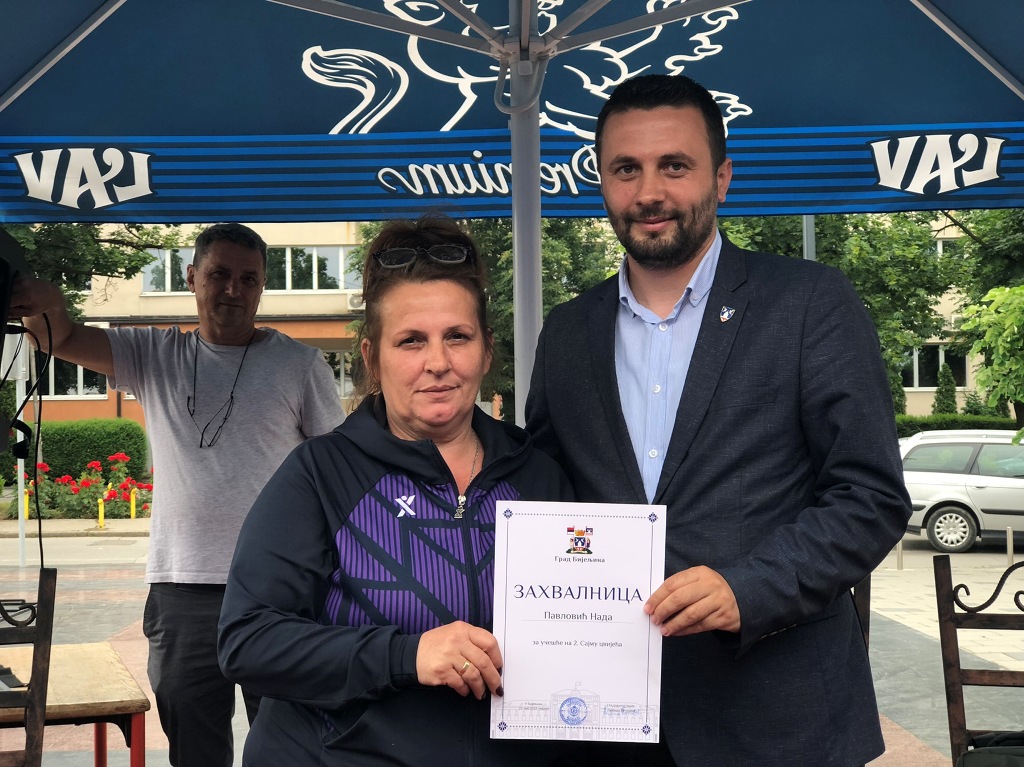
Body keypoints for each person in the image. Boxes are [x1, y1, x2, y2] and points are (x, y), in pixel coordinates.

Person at [525, 74, 912, 766]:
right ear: (602, 181)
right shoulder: (566, 332)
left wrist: (748, 588)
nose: (649, 192)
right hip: (605, 719)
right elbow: (544, 497)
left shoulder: (809, 303)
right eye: (626, 169)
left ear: (722, 177)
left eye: (675, 166)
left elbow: (870, 496)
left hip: (779, 722)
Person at [217, 215, 577, 766]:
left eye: (457, 336)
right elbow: (248, 641)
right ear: (371, 358)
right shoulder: (321, 474)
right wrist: (406, 655)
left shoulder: (539, 476)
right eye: (411, 341)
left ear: (486, 350)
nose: (438, 362)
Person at [9, 222, 344, 767]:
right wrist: (43, 304)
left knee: (288, 741)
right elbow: (59, 338)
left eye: (248, 279)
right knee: (193, 743)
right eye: (219, 274)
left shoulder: (300, 364)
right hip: (181, 586)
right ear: (191, 277)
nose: (233, 289)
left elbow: (335, 470)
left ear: (262, 286)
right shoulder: (153, 353)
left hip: (279, 586)